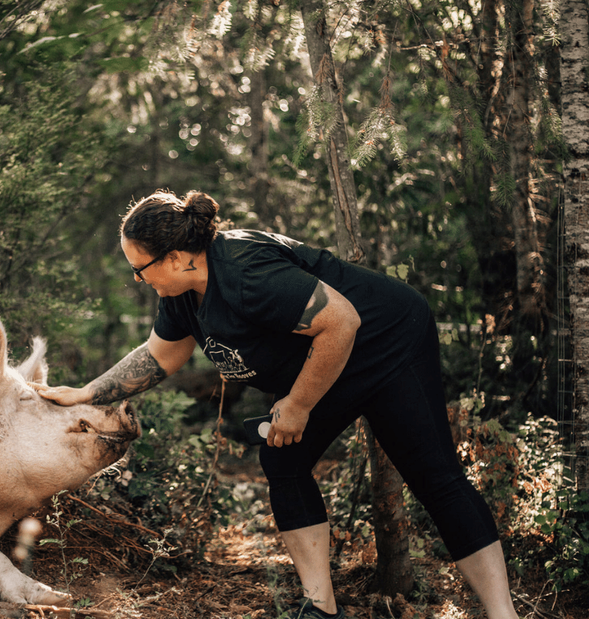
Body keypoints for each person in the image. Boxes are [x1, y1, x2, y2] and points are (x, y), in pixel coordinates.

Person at [34, 190, 520, 619]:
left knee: (433, 476)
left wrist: (299, 405)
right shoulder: (181, 293)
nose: (137, 279)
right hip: (328, 362)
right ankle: (321, 608)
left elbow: (342, 322)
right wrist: (86, 394)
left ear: (180, 256)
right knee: (282, 457)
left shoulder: (246, 271)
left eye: (140, 268)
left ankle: (503, 614)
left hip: (387, 344)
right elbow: (162, 355)